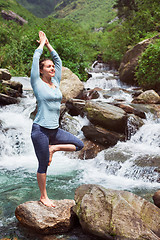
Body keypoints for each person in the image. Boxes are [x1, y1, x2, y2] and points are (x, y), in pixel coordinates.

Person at [31, 31, 84, 207]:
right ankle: (43, 196)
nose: (52, 68)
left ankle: (53, 148)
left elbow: (59, 60)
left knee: (79, 145)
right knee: (43, 164)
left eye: (52, 67)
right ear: (41, 70)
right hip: (40, 130)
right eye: (48, 67)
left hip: (54, 131)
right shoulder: (37, 82)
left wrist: (48, 45)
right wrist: (41, 45)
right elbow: (35, 57)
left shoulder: (56, 82)